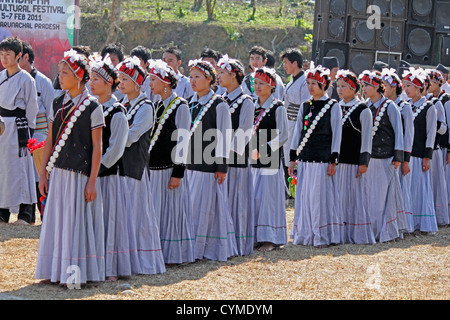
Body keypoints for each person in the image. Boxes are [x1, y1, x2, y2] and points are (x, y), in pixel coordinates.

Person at [35, 49, 105, 285]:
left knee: (75, 224)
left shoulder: (93, 106)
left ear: (78, 76)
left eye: (65, 72)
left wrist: (93, 180)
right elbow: (50, 141)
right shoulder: (57, 102)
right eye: (60, 72)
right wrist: (43, 173)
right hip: (59, 172)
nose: (60, 76)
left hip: (79, 175)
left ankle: (74, 275)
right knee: (57, 222)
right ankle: (55, 271)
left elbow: (97, 147)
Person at [116, 56, 166, 275]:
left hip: (134, 168)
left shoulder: (146, 107)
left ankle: (140, 261)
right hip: (121, 167)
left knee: (136, 215)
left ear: (137, 82)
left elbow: (130, 137)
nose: (121, 83)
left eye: (125, 79)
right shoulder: (124, 105)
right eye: (119, 79)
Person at [186, 59, 237, 261]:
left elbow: (225, 136)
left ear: (209, 79)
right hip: (191, 161)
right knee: (192, 206)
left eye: (197, 77)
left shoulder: (219, 104)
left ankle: (203, 248)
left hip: (208, 164)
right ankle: (192, 246)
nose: (193, 81)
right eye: (190, 77)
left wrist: (221, 165)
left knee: (205, 207)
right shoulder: (190, 103)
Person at [289, 64, 343, 248]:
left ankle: (322, 235)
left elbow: (336, 134)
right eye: (308, 83)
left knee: (319, 197)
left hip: (322, 159)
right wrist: (292, 158)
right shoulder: (305, 106)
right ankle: (304, 234)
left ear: (324, 85)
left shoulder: (333, 106)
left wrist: (333, 160)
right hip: (305, 158)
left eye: (315, 83)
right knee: (304, 197)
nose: (311, 87)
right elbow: (297, 133)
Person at [147, 59, 195, 265]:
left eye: (153, 80)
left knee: (172, 210)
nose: (149, 84)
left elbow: (183, 140)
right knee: (157, 210)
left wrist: (178, 172)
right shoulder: (158, 104)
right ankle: (158, 250)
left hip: (169, 169)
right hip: (155, 167)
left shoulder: (180, 106)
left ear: (165, 83)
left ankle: (174, 254)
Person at [89, 53, 130, 281]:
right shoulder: (92, 108)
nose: (91, 83)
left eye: (96, 80)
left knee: (108, 221)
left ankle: (109, 268)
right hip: (93, 174)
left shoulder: (117, 112)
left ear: (108, 83)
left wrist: (97, 169)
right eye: (91, 79)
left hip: (108, 176)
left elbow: (116, 149)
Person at [217, 55, 255, 255]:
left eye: (222, 73)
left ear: (234, 76)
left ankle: (237, 244)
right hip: (220, 159)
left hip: (235, 161)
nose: (219, 77)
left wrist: (227, 156)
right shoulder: (220, 99)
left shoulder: (245, 101)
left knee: (236, 202)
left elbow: (245, 131)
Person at [0, 36, 38, 226]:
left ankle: (26, 214)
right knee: (4, 170)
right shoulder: (1, 77)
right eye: (2, 54)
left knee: (21, 169)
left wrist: (28, 134)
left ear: (19, 56)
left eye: (8, 54)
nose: (4, 58)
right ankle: (2, 212)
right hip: (1, 128)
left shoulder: (26, 79)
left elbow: (32, 108)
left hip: (18, 128)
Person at [250, 67, 289, 252]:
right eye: (255, 83)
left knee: (268, 199)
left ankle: (270, 238)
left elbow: (283, 134)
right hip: (252, 158)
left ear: (271, 86)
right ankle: (255, 236)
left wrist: (264, 149)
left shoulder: (277, 106)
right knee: (255, 197)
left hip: (270, 159)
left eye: (262, 83)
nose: (257, 86)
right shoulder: (252, 105)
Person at [335, 69, 375, 244]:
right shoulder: (336, 107)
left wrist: (363, 162)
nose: (340, 89)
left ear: (353, 88)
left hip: (353, 161)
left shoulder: (363, 110)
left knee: (354, 197)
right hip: (338, 160)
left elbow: (366, 139)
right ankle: (339, 232)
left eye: (343, 86)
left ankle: (356, 233)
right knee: (338, 197)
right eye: (338, 86)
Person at [19, 40, 57, 223]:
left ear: (26, 57)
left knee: (38, 174)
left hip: (41, 135)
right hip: (19, 135)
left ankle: (45, 216)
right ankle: (25, 215)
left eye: (17, 56)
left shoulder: (43, 81)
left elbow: (52, 112)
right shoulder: (10, 78)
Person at [402, 67, 438, 234]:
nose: (406, 89)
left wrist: (427, 157)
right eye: (405, 85)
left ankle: (420, 223)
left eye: (409, 86)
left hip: (419, 154)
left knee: (419, 188)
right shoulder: (407, 106)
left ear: (418, 87)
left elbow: (431, 134)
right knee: (409, 189)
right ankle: (409, 221)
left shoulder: (429, 107)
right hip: (409, 154)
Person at [381, 68, 415, 234]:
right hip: (388, 154)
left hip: (399, 156)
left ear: (393, 87)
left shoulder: (404, 107)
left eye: (385, 85)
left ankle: (401, 225)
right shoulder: (383, 106)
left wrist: (405, 159)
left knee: (401, 189)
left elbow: (408, 135)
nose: (382, 88)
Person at [280, 48, 310, 194]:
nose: (284, 66)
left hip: (296, 123)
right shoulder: (293, 79)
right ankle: (288, 189)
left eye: (286, 63)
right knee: (286, 155)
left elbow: (305, 106)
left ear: (295, 63)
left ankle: (295, 189)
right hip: (288, 122)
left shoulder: (304, 82)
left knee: (293, 156)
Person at [426, 69, 450, 227]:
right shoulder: (429, 98)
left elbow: (448, 126)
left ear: (438, 83)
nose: (427, 85)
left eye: (430, 82)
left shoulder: (446, 100)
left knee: (443, 180)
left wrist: (449, 149)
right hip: (434, 145)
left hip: (442, 146)